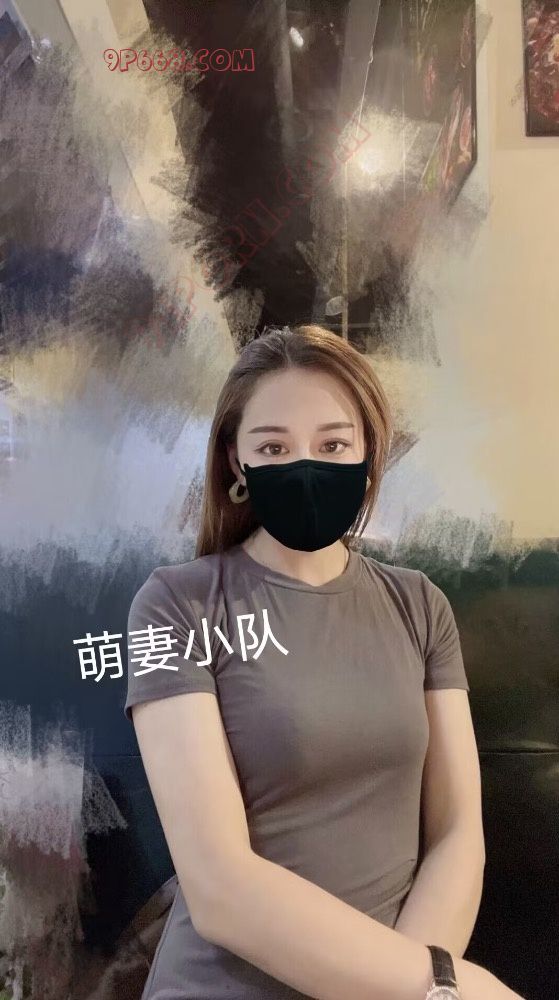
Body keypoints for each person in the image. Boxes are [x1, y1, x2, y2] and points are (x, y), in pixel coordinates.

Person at [124, 324, 525, 1000]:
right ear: (236, 461)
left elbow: (457, 834)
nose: (305, 467)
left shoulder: (419, 605)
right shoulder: (176, 605)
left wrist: (422, 983)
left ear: (369, 451)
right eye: (273, 447)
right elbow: (220, 889)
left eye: (333, 444)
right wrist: (447, 988)